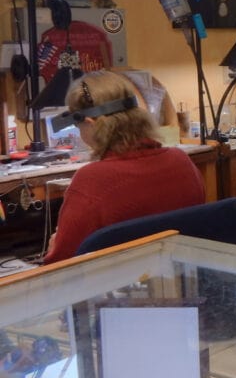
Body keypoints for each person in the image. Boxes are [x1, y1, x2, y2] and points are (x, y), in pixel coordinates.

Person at [43, 71, 206, 263]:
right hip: (177, 280)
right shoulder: (182, 162)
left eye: (79, 128)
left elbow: (61, 265)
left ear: (90, 123)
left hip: (120, 285)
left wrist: (54, 249)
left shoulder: (92, 180)